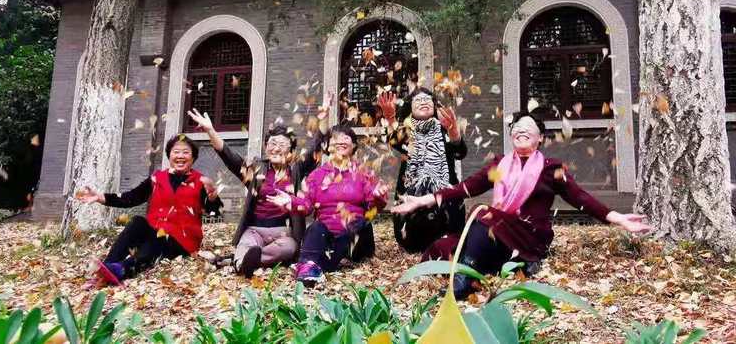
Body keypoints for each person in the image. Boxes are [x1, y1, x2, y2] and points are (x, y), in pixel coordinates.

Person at [391, 112, 651, 298]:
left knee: (483, 213)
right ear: (511, 135)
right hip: (496, 234)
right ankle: (488, 266)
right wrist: (421, 200)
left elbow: (581, 198)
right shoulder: (499, 165)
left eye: (528, 127)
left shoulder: (550, 168)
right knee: (444, 244)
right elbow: (464, 188)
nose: (521, 130)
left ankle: (465, 280)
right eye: (516, 127)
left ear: (540, 138)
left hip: (528, 236)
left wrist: (618, 218)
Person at [187, 97, 331, 278]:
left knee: (289, 247)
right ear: (265, 147)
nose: (276, 148)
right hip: (254, 230)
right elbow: (229, 157)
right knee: (246, 245)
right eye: (272, 144)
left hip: (283, 232)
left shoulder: (296, 170)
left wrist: (324, 115)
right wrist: (210, 130)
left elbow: (316, 150)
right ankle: (244, 263)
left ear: (291, 150)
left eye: (282, 144)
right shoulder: (256, 169)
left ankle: (246, 260)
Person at [75, 134, 218, 285]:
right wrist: (100, 197)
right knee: (138, 222)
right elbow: (131, 197)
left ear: (193, 157)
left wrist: (212, 199)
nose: (180, 156)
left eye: (185, 152)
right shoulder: (157, 178)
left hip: (182, 241)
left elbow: (215, 212)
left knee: (159, 237)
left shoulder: (201, 182)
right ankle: (107, 268)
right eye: (176, 152)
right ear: (169, 155)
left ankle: (122, 269)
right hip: (156, 232)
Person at [267, 125, 389, 286]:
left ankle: (315, 263)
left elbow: (373, 209)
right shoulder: (316, 175)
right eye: (335, 138)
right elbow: (306, 205)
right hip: (326, 239)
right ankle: (309, 267)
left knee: (358, 224)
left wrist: (379, 198)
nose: (340, 141)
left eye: (346, 137)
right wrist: (291, 202)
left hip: (357, 239)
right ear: (327, 146)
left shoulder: (363, 173)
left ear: (353, 145)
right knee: (315, 228)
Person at [378, 88, 468, 260]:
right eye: (418, 100)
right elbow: (395, 142)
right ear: (410, 108)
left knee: (449, 241)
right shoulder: (407, 132)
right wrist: (390, 118)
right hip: (412, 205)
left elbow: (460, 152)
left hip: (444, 204)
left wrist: (454, 133)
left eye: (428, 99)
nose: (423, 102)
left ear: (434, 106)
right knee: (414, 243)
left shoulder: (444, 129)